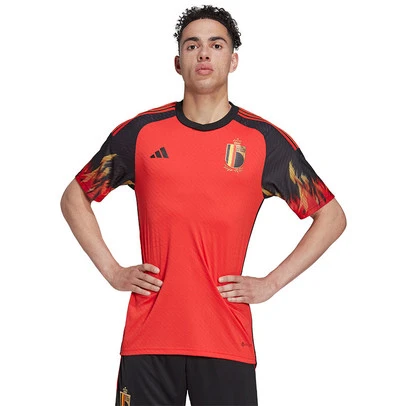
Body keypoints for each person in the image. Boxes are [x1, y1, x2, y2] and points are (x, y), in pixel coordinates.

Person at [61, 5, 346, 406]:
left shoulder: (264, 141)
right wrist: (112, 271)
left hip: (225, 339)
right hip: (149, 339)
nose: (204, 53)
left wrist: (270, 283)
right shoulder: (141, 133)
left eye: (216, 44)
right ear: (178, 62)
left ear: (233, 60)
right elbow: (75, 196)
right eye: (192, 45)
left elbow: (331, 217)